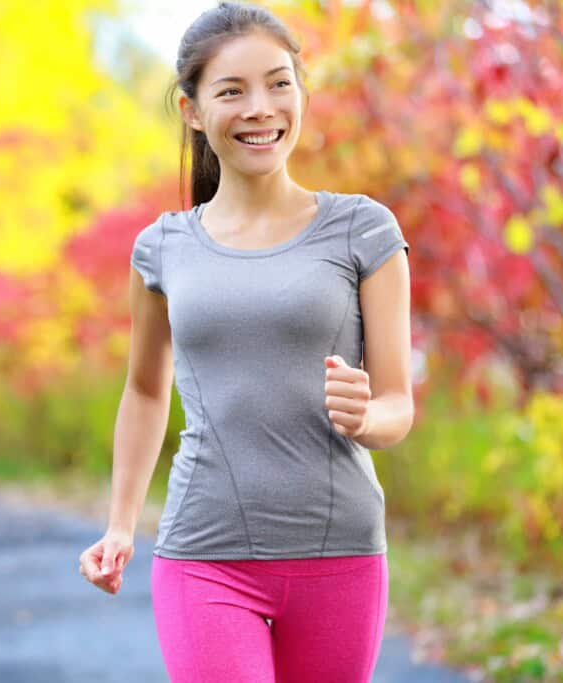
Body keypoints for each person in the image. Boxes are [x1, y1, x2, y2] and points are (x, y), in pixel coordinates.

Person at [78, 2, 413, 681]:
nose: (261, 107)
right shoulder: (162, 248)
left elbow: (398, 402)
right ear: (192, 109)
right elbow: (145, 390)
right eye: (232, 91)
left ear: (301, 92)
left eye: (279, 82)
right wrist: (120, 524)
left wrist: (365, 415)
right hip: (204, 553)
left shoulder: (364, 231)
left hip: (339, 553)